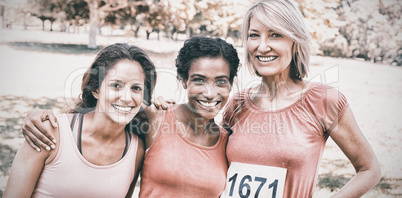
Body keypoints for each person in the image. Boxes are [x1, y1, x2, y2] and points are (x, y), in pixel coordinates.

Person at [19, 36, 241, 197]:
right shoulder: (154, 118)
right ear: (183, 81)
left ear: (231, 84)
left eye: (221, 81)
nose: (210, 92)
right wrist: (36, 115)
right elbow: (103, 110)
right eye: (199, 80)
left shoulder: (229, 143)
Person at [220, 0, 381, 197]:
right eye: (254, 35)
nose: (262, 46)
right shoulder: (237, 103)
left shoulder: (323, 101)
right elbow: (209, 158)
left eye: (275, 35)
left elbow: (369, 169)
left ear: (295, 41)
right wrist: (172, 114)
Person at [4, 43, 157, 198]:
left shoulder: (135, 151)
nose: (126, 97)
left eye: (136, 88)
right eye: (116, 85)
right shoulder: (47, 133)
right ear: (96, 89)